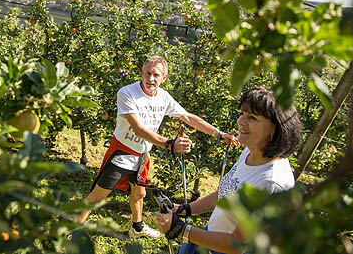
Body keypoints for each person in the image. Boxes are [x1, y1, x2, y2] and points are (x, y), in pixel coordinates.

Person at [75, 56, 238, 239]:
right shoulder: (127, 93)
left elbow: (189, 117)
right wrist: (170, 144)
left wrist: (219, 134)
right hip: (123, 151)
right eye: (148, 73)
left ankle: (137, 228)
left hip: (143, 154)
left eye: (156, 75)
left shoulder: (164, 97)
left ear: (164, 78)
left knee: (139, 193)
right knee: (97, 196)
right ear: (142, 73)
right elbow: (138, 129)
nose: (151, 79)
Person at [155, 86, 302, 253]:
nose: (241, 122)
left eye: (252, 117)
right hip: (210, 238)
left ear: (276, 128)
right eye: (242, 114)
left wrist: (181, 230)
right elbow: (227, 192)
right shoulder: (251, 150)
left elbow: (237, 245)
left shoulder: (271, 182)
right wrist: (186, 209)